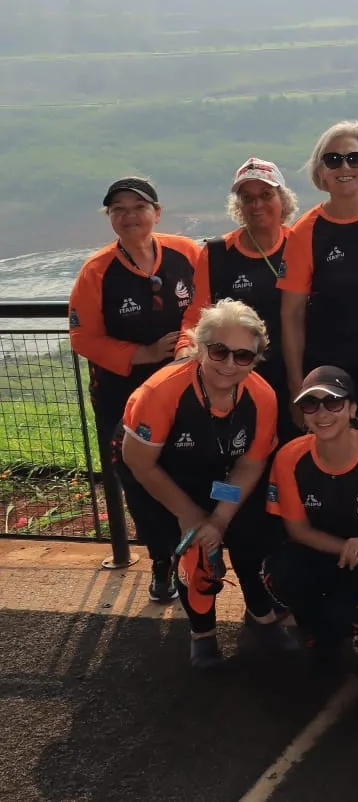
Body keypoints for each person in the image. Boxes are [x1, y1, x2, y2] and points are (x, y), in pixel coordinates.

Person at [116, 299, 293, 668]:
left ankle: (260, 613)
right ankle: (202, 631)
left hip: (222, 470)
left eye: (243, 356)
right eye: (219, 351)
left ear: (257, 358)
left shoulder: (262, 397)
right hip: (158, 470)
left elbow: (251, 464)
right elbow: (139, 461)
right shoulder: (161, 392)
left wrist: (221, 520)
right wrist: (192, 516)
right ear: (200, 348)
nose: (230, 364)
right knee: (191, 544)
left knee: (251, 530)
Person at [69, 177, 200, 602]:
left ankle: (193, 554)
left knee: (183, 468)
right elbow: (83, 338)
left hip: (182, 387)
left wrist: (182, 346)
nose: (128, 217)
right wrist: (141, 353)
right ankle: (161, 560)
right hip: (120, 397)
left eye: (137, 207)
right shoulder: (96, 271)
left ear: (156, 213)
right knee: (136, 477)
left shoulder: (187, 253)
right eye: (117, 210)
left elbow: (202, 308)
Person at [262, 366, 358, 670]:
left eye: (334, 402)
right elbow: (297, 530)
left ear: (353, 408)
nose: (322, 412)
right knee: (278, 570)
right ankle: (315, 634)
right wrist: (345, 547)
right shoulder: (289, 457)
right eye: (310, 404)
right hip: (328, 551)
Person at [279, 121, 358, 438]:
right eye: (332, 159)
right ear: (320, 172)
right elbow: (291, 315)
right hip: (331, 366)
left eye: (354, 158)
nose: (344, 167)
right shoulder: (305, 231)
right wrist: (297, 385)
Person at [183, 158, 299, 443]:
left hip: (295, 372)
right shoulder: (217, 253)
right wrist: (186, 352)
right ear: (238, 206)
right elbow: (196, 316)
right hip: (234, 375)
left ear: (283, 200)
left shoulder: (301, 243)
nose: (256, 205)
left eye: (266, 195)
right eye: (247, 198)